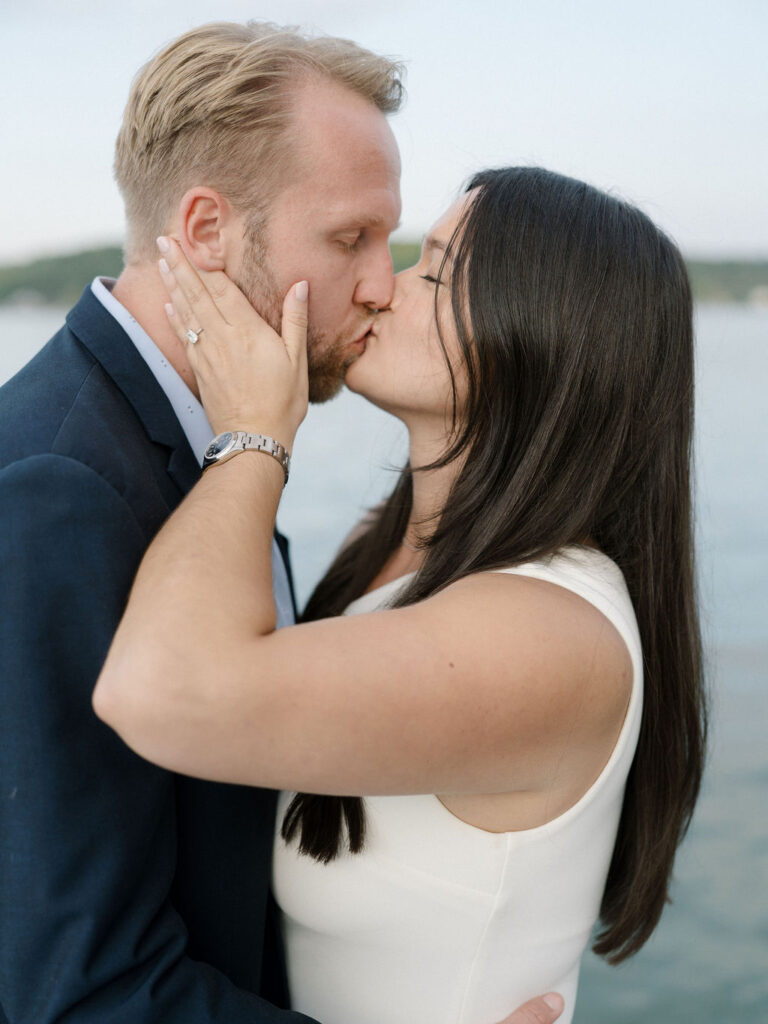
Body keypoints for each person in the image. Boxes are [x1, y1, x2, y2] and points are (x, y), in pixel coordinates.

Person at [0, 18, 562, 1024]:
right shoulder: (60, 484)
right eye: (349, 238)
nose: (381, 285)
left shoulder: (206, 435)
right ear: (208, 231)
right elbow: (78, 990)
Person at [93, 166, 707, 1024]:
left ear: (543, 334)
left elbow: (158, 690)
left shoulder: (546, 631)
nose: (381, 288)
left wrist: (253, 437)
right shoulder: (387, 549)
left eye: (437, 270)